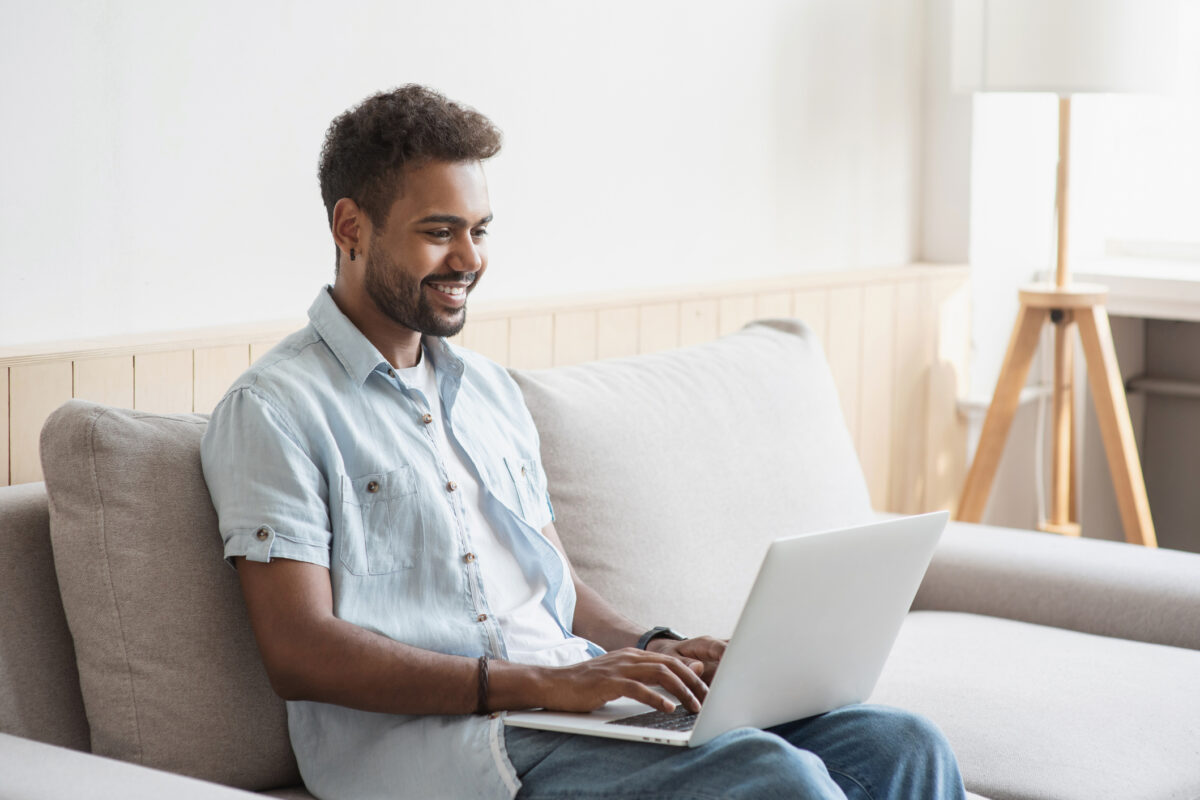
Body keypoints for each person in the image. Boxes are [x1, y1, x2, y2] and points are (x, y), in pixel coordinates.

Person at [200, 84, 966, 800]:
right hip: (442, 748)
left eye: (479, 231)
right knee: (774, 780)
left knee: (904, 745)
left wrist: (659, 645)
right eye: (439, 233)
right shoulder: (276, 410)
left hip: (565, 710)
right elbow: (298, 651)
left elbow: (559, 591)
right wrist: (543, 686)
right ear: (350, 228)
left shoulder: (489, 393)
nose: (469, 259)